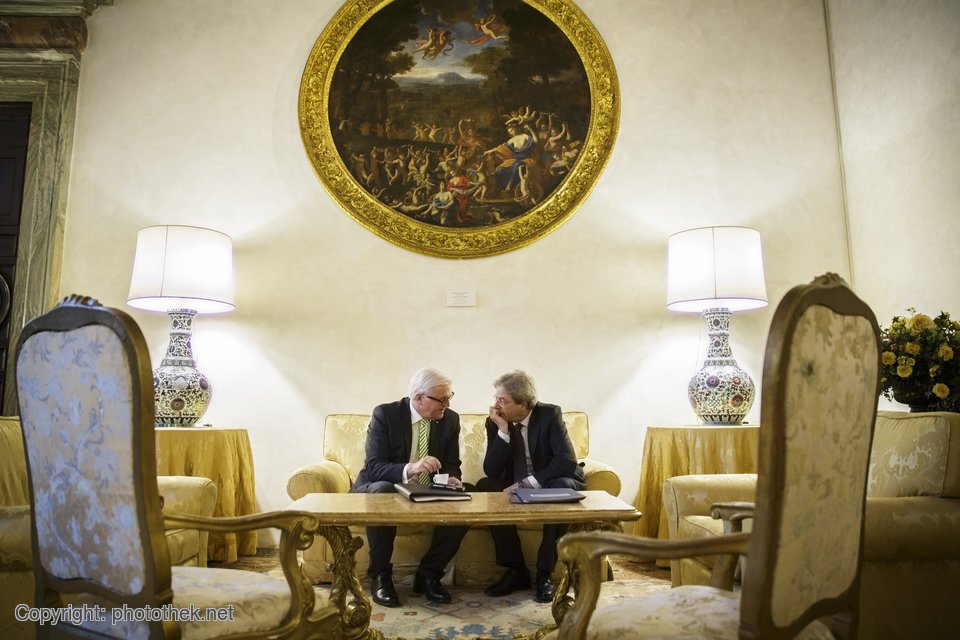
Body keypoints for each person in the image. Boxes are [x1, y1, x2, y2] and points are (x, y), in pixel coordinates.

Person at [351, 368, 468, 607]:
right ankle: (380, 576)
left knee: (469, 494)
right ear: (418, 397)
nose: (447, 405)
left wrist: (452, 479)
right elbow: (374, 467)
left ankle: (428, 575)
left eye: (449, 398)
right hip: (383, 487)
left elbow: (452, 464)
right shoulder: (386, 414)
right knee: (383, 490)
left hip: (427, 491)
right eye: (441, 399)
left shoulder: (450, 419)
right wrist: (411, 468)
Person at [476, 370, 586, 603]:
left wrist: (527, 484)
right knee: (485, 486)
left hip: (549, 481)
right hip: (514, 481)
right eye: (496, 398)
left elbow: (566, 461)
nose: (496, 406)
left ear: (524, 403)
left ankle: (545, 573)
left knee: (562, 487)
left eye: (502, 400)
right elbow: (492, 471)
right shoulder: (495, 421)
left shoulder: (549, 415)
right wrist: (503, 431)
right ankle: (516, 570)